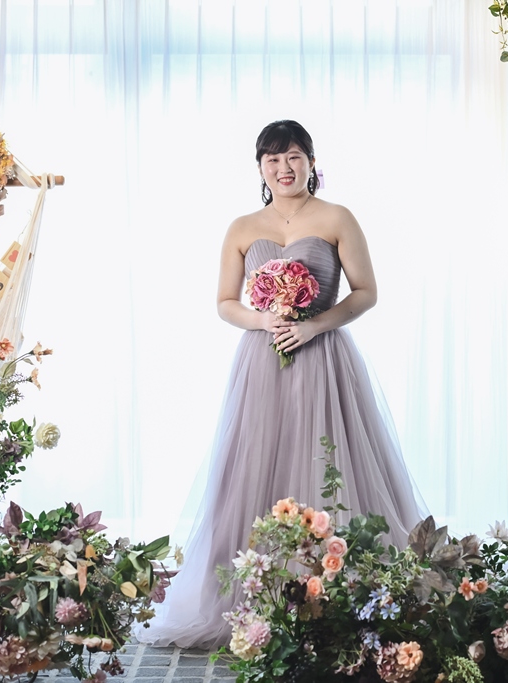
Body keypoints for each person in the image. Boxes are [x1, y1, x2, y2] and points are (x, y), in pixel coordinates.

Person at [138, 120, 427, 649]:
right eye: (272, 159)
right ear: (260, 168)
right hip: (261, 361)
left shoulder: (337, 217)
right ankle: (255, 599)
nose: (284, 168)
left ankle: (333, 596)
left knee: (327, 460)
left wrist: (314, 325)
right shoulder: (243, 227)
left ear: (311, 162)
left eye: (293, 156)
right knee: (251, 468)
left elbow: (366, 292)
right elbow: (225, 302)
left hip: (322, 356)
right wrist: (261, 320)